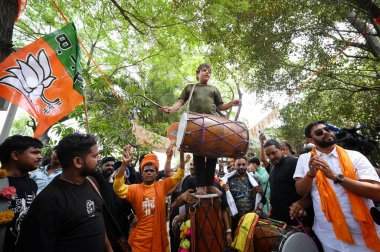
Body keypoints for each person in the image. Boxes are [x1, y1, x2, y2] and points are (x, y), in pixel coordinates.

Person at [16, 133, 112, 252]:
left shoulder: (92, 183)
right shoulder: (49, 200)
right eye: (95, 156)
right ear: (78, 162)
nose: (99, 159)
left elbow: (97, 221)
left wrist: (109, 248)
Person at [294, 120, 380, 252]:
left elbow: (376, 192)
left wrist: (336, 177)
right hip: (328, 237)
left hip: (365, 234)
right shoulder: (305, 159)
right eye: (319, 132)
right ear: (310, 139)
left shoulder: (355, 156)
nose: (326, 132)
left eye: (328, 129)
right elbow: (300, 190)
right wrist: (310, 174)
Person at [161, 63, 240, 195]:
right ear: (197, 73)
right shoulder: (190, 87)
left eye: (209, 71)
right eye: (204, 70)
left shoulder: (214, 89)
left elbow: (220, 107)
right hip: (195, 123)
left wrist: (231, 103)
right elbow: (180, 103)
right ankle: (200, 186)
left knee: (212, 155)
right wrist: (170, 109)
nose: (207, 72)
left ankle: (209, 185)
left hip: (213, 124)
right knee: (198, 155)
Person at [113, 146, 185, 251]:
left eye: (152, 170)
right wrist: (124, 164)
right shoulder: (135, 189)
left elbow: (180, 174)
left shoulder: (162, 185)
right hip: (139, 242)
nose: (149, 172)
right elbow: (118, 187)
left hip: (159, 240)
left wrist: (180, 155)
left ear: (156, 174)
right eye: (146, 170)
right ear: (141, 174)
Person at [0, 135, 42, 252]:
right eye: (34, 152)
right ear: (15, 155)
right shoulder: (1, 181)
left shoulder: (32, 184)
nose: (40, 157)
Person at [263, 139, 310, 226]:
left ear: (281, 149)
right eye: (268, 155)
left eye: (274, 153)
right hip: (278, 219)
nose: (271, 157)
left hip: (295, 218)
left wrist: (302, 204)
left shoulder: (294, 162)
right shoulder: (272, 166)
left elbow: (309, 189)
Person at [222, 157, 262, 234]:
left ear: (247, 165)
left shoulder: (255, 180)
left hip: (250, 218)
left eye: (243, 164)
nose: (241, 167)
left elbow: (262, 200)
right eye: (239, 164)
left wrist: (261, 192)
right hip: (234, 220)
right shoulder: (228, 180)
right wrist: (223, 188)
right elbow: (224, 202)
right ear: (234, 165)